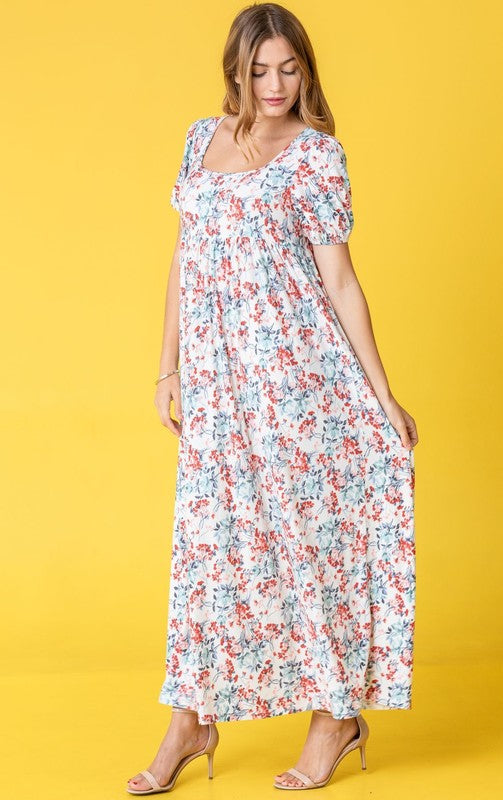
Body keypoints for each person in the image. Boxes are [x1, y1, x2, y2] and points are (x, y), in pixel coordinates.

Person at [127, 2, 418, 793]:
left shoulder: (316, 157)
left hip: (297, 385)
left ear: (305, 68)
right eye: (260, 69)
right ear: (235, 71)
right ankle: (191, 717)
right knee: (212, 546)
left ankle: (335, 715)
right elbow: (184, 260)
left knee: (303, 543)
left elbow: (340, 280)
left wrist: (380, 394)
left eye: (289, 67)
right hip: (219, 388)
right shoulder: (200, 140)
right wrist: (168, 367)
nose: (276, 83)